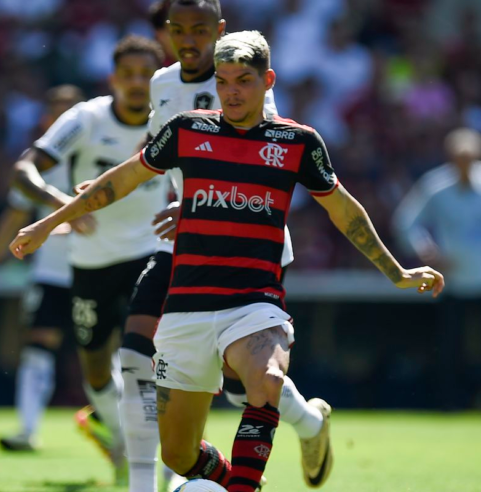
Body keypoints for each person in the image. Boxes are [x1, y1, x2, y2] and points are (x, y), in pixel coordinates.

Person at [10, 31, 444, 492]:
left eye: (244, 80)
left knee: (268, 379)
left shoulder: (297, 142)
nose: (232, 91)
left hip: (254, 301)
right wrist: (45, 224)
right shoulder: (187, 130)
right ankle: (237, 478)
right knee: (178, 453)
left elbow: (342, 209)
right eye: (224, 81)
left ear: (267, 80)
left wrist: (396, 271)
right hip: (186, 307)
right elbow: (117, 182)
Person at [121, 1, 331, 490]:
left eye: (199, 30)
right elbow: (162, 161)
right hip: (185, 245)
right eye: (178, 30)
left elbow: (259, 154)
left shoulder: (243, 80)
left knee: (244, 387)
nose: (188, 40)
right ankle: (147, 483)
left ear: (218, 32)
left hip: (251, 247)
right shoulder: (162, 84)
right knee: (134, 352)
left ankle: (307, 425)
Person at [11, 35, 168, 483]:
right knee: (95, 370)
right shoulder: (84, 117)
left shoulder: (171, 120)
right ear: (113, 79)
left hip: (151, 253)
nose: (137, 83)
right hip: (91, 260)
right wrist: (64, 204)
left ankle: (167, 462)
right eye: (129, 74)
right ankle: (122, 437)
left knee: (147, 355)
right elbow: (24, 168)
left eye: (146, 74)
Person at [0, 85, 85, 451]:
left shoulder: (105, 155)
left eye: (70, 113)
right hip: (51, 272)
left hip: (101, 268)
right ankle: (27, 430)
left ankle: (123, 435)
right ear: (46, 120)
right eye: (57, 114)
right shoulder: (37, 166)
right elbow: (13, 216)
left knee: (108, 355)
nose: (64, 121)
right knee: (38, 347)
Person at [393, 127, 481, 408]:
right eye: (460, 157)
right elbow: (406, 222)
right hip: (452, 282)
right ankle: (451, 403)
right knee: (450, 348)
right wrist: (426, 251)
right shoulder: (436, 185)